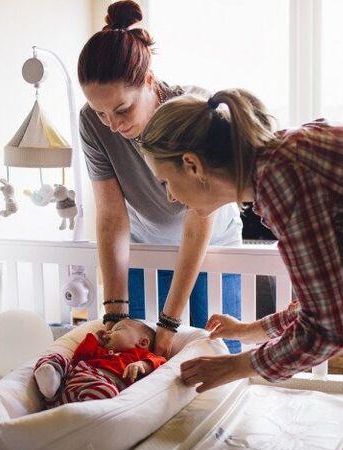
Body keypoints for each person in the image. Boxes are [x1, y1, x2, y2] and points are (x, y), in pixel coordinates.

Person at [138, 88, 343, 450]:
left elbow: (328, 331)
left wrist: (236, 366)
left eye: (164, 182)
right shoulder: (281, 162)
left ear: (192, 165)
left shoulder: (283, 182)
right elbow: (324, 295)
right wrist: (255, 329)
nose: (170, 197)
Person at [77, 0, 243, 357]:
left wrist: (169, 323)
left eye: (122, 110)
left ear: (149, 82)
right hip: (145, 240)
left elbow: (199, 218)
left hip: (211, 238)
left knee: (216, 347)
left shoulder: (192, 111)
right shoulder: (93, 124)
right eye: (100, 112)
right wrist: (114, 312)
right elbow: (110, 216)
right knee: (134, 351)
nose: (113, 124)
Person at [34, 319, 166, 407]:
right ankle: (50, 382)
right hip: (68, 381)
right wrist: (95, 339)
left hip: (99, 387)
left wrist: (142, 365)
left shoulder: (141, 356)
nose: (109, 332)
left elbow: (160, 362)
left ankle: (79, 414)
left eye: (117, 329)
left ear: (142, 342)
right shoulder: (101, 350)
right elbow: (79, 357)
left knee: (108, 393)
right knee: (58, 358)